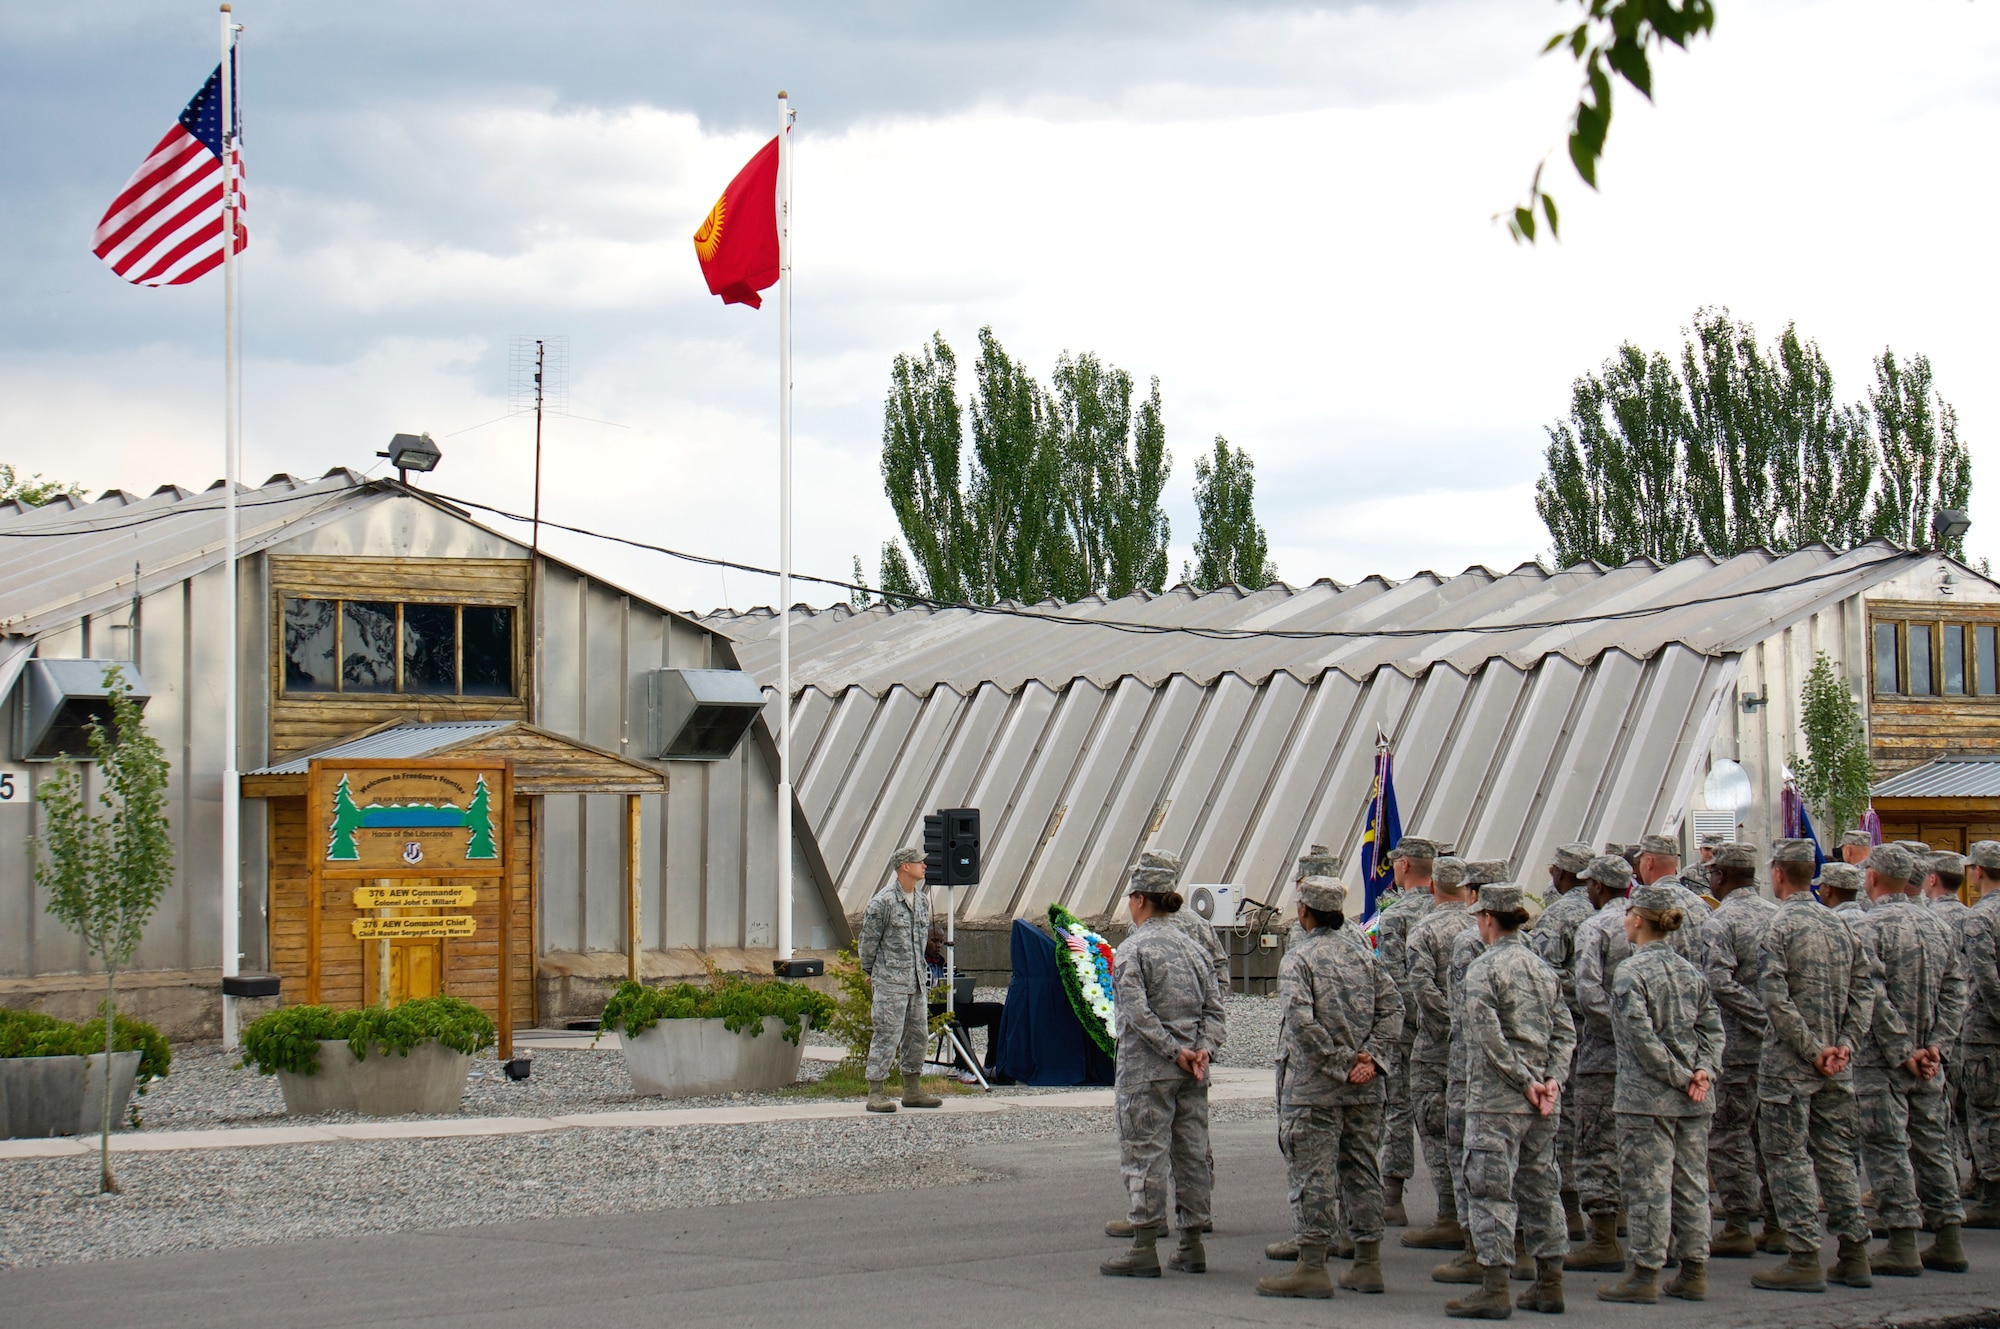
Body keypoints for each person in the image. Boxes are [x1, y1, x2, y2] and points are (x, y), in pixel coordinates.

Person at [1257, 876, 1403, 1299]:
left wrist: (1341, 1064)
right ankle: (1367, 1263)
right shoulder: (1363, 956)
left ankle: (1312, 1267)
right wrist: (1370, 1059)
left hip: (1314, 1088)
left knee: (1313, 1174)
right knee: (1361, 1170)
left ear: (1304, 911)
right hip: (1364, 1089)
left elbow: (1301, 1024)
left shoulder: (1299, 959)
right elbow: (1394, 1007)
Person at [1752, 838, 1875, 1293]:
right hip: (1836, 1065)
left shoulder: (1778, 926)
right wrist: (1843, 1045)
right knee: (1837, 1157)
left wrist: (1810, 1048)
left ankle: (1804, 1255)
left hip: (1790, 1067)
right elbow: (1865, 991)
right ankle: (1853, 1252)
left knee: (1788, 1159)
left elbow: (1774, 997)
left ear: (1779, 874)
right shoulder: (1841, 926)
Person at [1447, 883, 1575, 1320]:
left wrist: (1523, 1081)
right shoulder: (1542, 970)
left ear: (1487, 919)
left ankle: (1495, 1287)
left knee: (1490, 1192)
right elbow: (1564, 1032)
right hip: (1541, 1101)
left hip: (1497, 1100)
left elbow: (1488, 1038)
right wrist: (1551, 1079)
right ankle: (1549, 1283)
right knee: (1542, 1188)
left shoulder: (1483, 970)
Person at [1101, 851, 1227, 1279]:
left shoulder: (1132, 949)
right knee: (1191, 1153)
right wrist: (1202, 1050)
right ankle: (1192, 1245)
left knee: (1145, 1153)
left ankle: (1144, 1245)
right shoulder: (1194, 947)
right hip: (1194, 1070)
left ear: (1139, 899)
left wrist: (1174, 1051)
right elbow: (1216, 1007)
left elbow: (1137, 1014)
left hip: (1148, 1071)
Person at [1599, 883, 1724, 1304]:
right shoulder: (1690, 970)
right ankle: (1694, 1270)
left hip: (1647, 1098)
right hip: (1693, 1098)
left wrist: (1679, 1075)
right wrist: (1702, 1071)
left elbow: (1639, 1038)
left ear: (1637, 919)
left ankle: (1645, 1273)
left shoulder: (1630, 973)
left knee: (1648, 1187)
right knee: (1691, 1185)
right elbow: (1712, 1030)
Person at [1850, 842, 1969, 1276]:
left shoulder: (1868, 927)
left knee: (1888, 1146)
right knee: (1933, 1144)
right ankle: (1949, 1239)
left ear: (1874, 878)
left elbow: (1871, 995)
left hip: (1885, 1060)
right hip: (1930, 1059)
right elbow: (1957, 989)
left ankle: (1902, 1243)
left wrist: (1903, 1052)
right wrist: (1936, 1046)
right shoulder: (1937, 926)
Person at [1700, 842, 1782, 1257]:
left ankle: (1736, 1223)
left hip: (1736, 1047)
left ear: (1720, 876)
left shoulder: (1720, 921)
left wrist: (1759, 1019)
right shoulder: (1778, 916)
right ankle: (1777, 1220)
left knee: (1730, 1134)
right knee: (1772, 1136)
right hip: (1778, 1049)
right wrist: (1777, 1022)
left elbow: (1718, 982)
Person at [1403, 853, 1479, 1250]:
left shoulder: (1423, 931)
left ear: (1431, 886)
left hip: (1436, 1047)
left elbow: (1422, 990)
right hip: (1480, 1047)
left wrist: (1448, 1028)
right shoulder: (1483, 927)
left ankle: (1450, 1213)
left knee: (1437, 1129)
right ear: (1468, 890)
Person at [1568, 852, 1636, 1273]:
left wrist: (1625, 1035)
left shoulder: (1595, 927)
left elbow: (1588, 993)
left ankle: (1604, 1239)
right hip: (1657, 1059)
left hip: (1604, 1055)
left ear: (1598, 886)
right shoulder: (1648, 919)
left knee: (1596, 1144)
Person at [1530, 842, 1601, 1244]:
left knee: (1568, 1123)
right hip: (1614, 1036)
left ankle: (1572, 1210)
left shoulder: (1559, 916)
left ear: (1561, 874)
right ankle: (1613, 1212)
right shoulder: (1614, 914)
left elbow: (1546, 976)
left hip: (1572, 1033)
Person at [1375, 836, 1438, 1226]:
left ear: (1403, 867)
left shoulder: (1396, 917)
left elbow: (1395, 981)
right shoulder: (1456, 913)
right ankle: (1452, 1204)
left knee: (1398, 1107)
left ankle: (1393, 1197)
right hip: (1446, 1031)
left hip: (1408, 1029)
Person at [859, 846, 942, 1114]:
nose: (924, 866)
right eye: (919, 862)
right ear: (904, 866)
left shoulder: (921, 900)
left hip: (915, 981)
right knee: (887, 1034)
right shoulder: (882, 902)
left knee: (917, 1036)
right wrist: (869, 971)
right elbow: (868, 942)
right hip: (890, 981)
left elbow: (920, 942)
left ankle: (912, 1090)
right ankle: (876, 1092)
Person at [1956, 840, 2000, 1228]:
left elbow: (1987, 982)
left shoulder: (1980, 918)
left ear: (1977, 872)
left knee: (1986, 1112)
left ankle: (1993, 1192)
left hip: (1987, 1032)